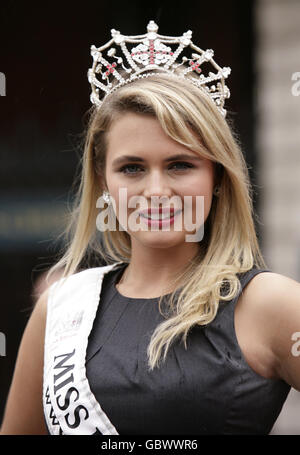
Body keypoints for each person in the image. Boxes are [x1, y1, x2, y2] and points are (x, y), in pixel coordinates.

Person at [1, 20, 300, 436]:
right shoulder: (60, 309)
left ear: (217, 177)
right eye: (132, 168)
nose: (156, 191)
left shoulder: (269, 305)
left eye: (180, 164)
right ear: (104, 181)